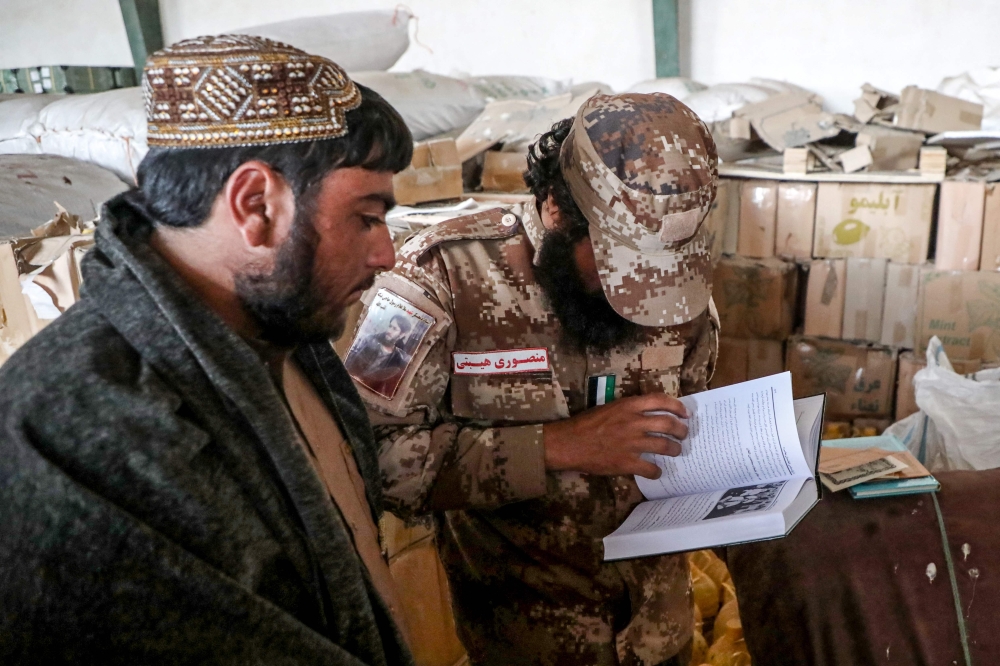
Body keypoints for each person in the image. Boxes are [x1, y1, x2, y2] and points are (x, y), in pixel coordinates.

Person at [0, 35, 416, 665]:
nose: (386, 254)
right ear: (256, 205)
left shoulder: (282, 326)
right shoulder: (72, 423)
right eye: (366, 216)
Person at [348, 93, 719, 666]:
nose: (643, 295)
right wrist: (556, 446)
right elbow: (371, 455)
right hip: (524, 639)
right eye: (621, 264)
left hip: (658, 632)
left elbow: (694, 422)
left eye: (664, 267)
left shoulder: (678, 283)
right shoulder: (441, 275)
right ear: (555, 210)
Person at [345, 313, 414, 397]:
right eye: (390, 326)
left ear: (402, 334)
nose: (389, 331)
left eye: (394, 329)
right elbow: (349, 361)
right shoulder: (369, 340)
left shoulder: (397, 358)